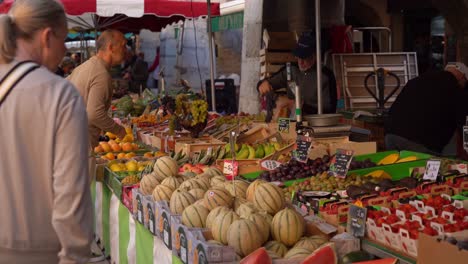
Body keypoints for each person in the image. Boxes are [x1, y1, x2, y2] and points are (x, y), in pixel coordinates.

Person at [0, 0, 93, 263]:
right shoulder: (60, 95)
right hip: (38, 252)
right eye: (64, 40)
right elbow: (70, 196)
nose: (64, 49)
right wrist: (75, 255)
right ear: (47, 36)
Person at [385, 62, 468, 156]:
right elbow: (464, 123)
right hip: (418, 143)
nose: (464, 85)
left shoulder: (417, 80)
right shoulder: (456, 90)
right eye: (465, 82)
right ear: (462, 76)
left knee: (398, 169)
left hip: (391, 136)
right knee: (421, 170)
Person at [67, 29, 128, 150]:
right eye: (123, 46)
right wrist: (119, 131)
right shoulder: (101, 74)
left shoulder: (83, 67)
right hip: (81, 145)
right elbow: (94, 114)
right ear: (111, 47)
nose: (126, 50)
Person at [257, 33, 337, 118]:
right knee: (276, 129)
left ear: (315, 56)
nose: (300, 62)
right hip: (290, 122)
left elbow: (330, 110)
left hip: (313, 124)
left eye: (304, 58)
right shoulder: (291, 70)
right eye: (298, 57)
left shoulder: (326, 76)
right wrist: (262, 84)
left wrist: (295, 104)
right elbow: (268, 82)